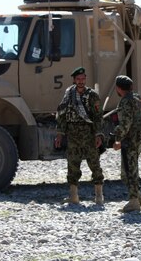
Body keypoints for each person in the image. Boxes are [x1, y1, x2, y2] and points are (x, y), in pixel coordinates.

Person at [55, 67, 105, 205]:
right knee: (73, 164)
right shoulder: (69, 94)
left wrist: (98, 134)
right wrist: (60, 133)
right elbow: (62, 114)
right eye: (78, 79)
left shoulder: (92, 95)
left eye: (83, 79)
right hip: (72, 134)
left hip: (88, 134)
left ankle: (99, 195)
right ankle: (73, 195)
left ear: (86, 79)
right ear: (74, 80)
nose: (81, 82)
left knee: (94, 164)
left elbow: (97, 116)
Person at [112, 75, 141, 213]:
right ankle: (138, 198)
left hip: (130, 139)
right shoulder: (137, 98)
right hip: (138, 137)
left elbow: (125, 123)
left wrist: (118, 139)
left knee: (128, 171)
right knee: (130, 169)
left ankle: (134, 202)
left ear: (119, 88)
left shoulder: (126, 101)